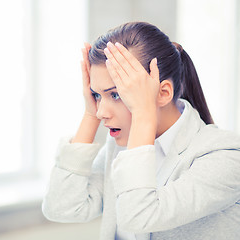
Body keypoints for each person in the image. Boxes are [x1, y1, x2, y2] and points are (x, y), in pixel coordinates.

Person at [42, 22, 240, 240]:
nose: (101, 113)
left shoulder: (226, 156)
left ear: (163, 93)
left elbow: (138, 216)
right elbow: (61, 208)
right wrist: (89, 115)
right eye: (97, 95)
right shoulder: (119, 149)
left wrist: (144, 114)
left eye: (116, 94)